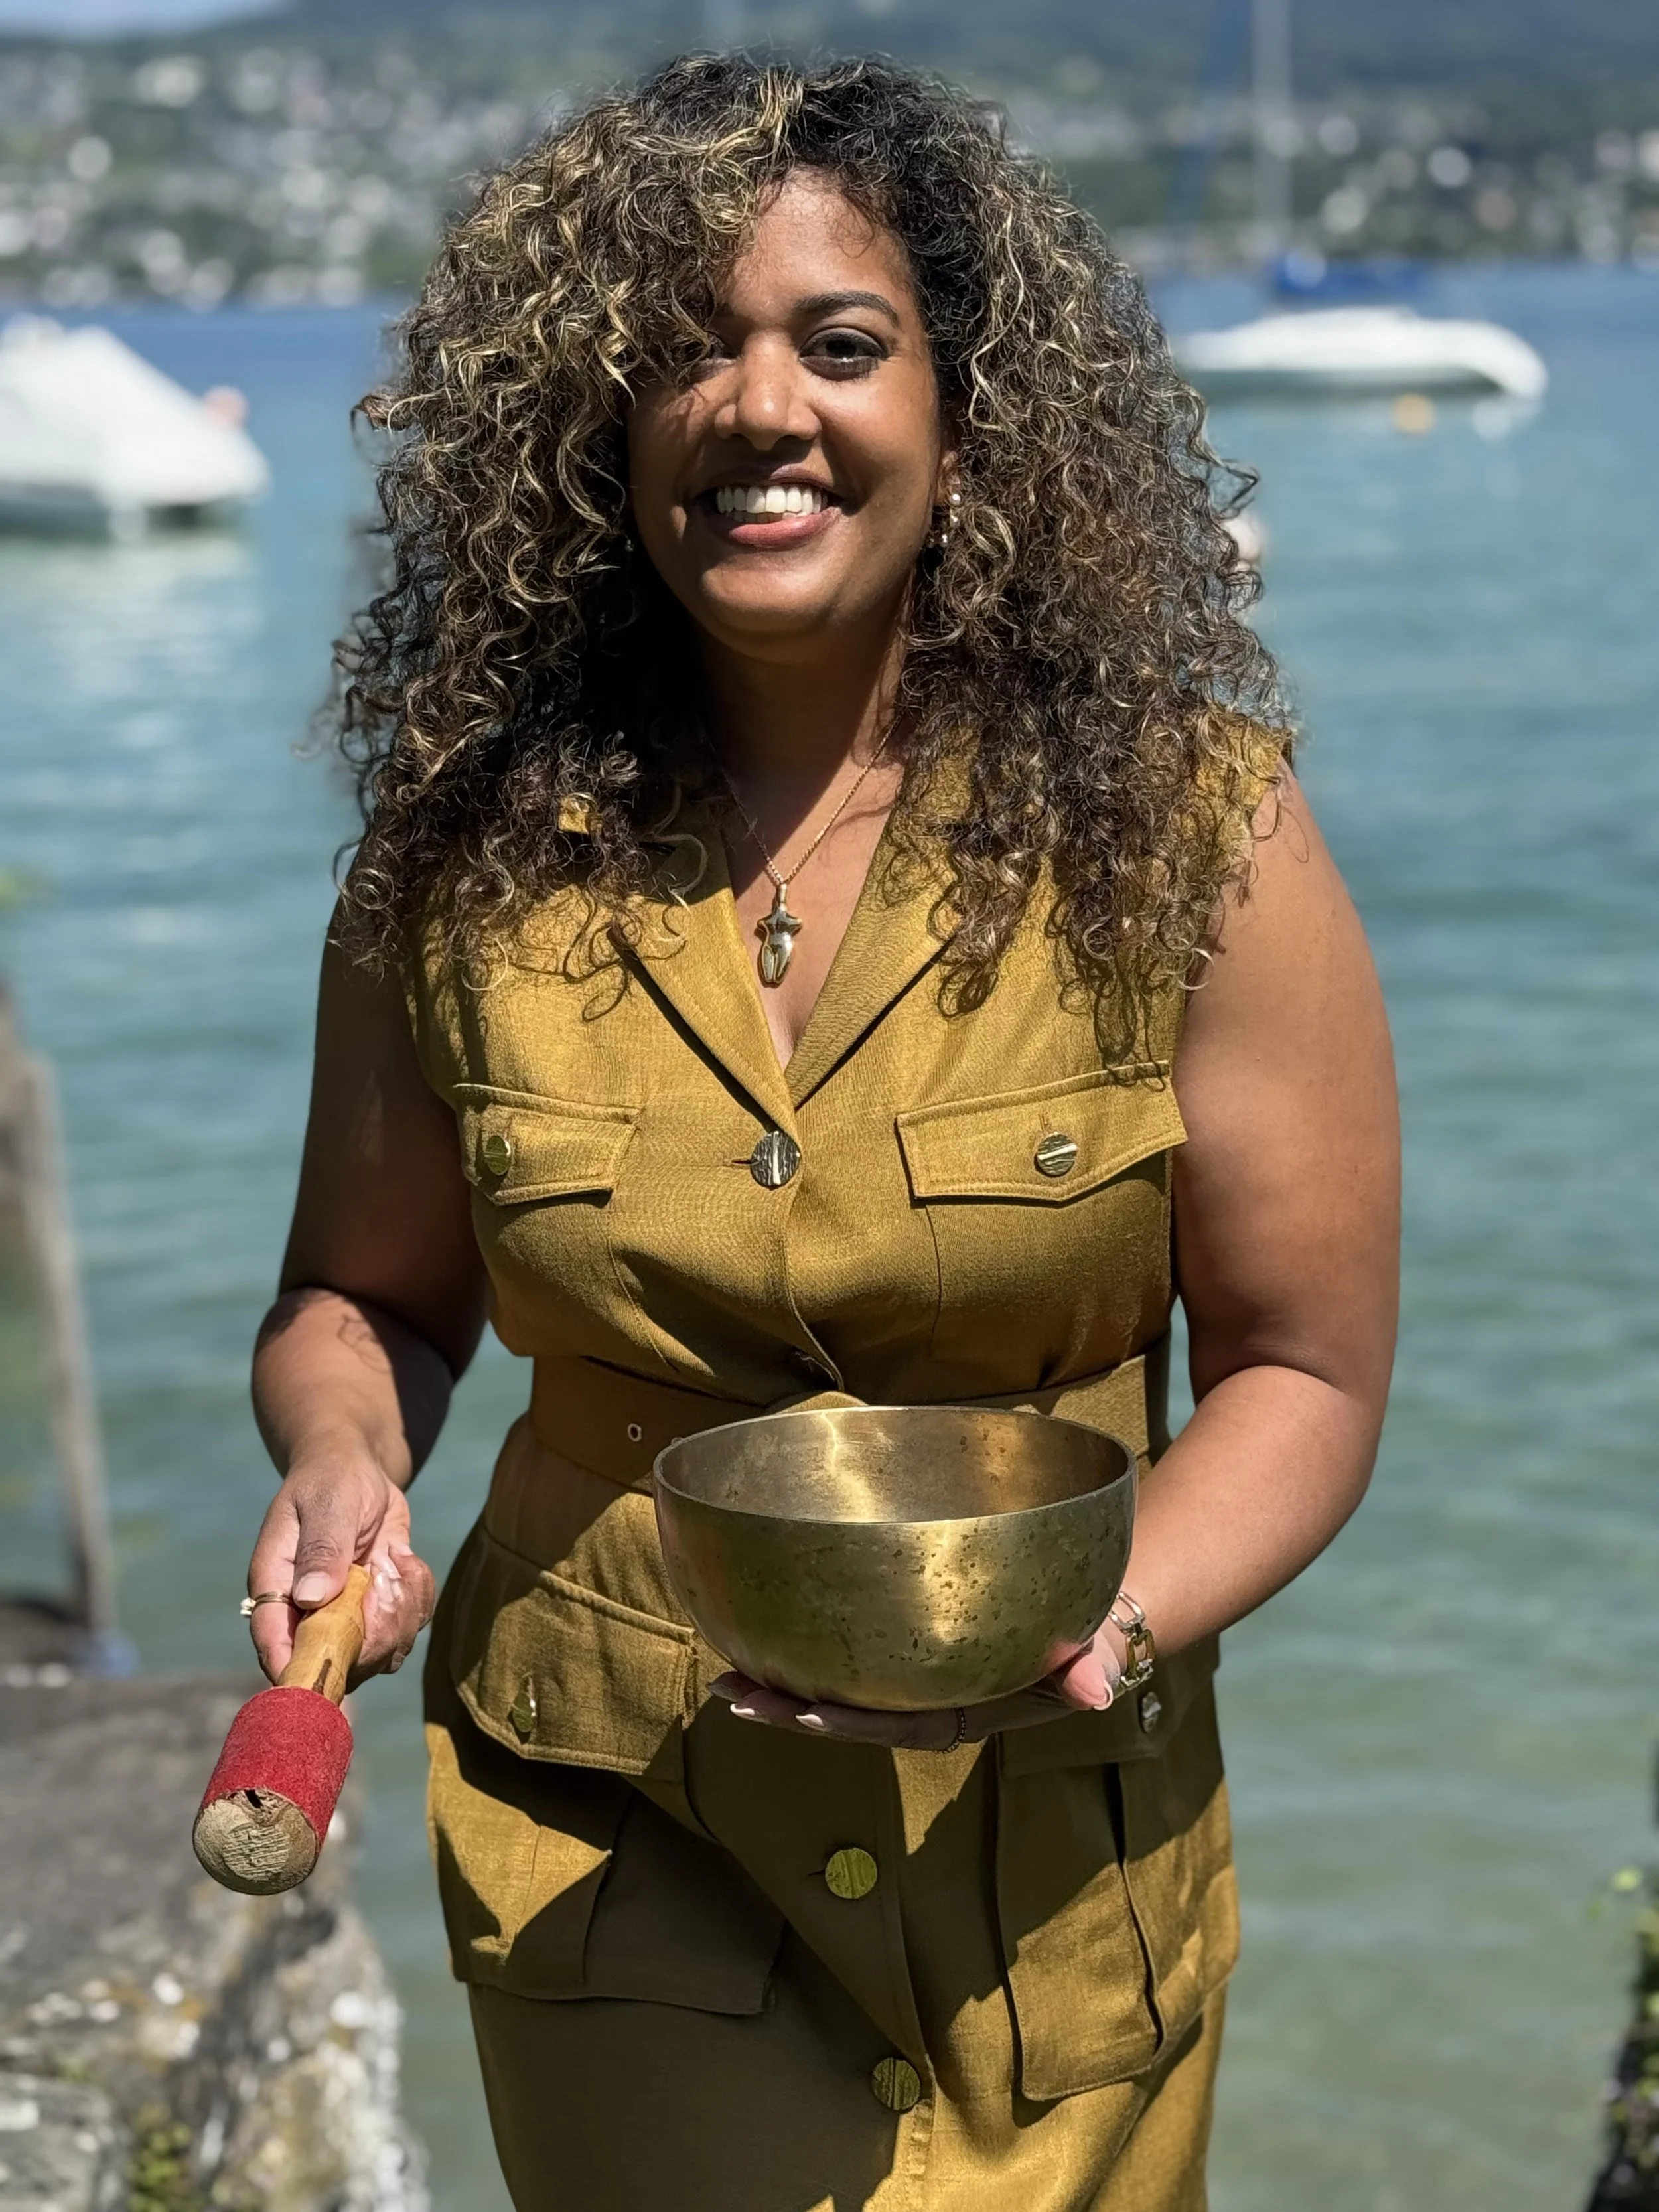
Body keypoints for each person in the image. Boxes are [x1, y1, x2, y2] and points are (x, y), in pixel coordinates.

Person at [244, 52, 1398, 2212]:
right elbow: (362, 1297)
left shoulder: (1191, 829)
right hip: (620, 1865)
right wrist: (338, 1456)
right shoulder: (458, 859)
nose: (758, 406)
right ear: (591, 431)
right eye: (681, 351)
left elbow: (1305, 1372)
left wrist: (1098, 1622)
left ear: (969, 416)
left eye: (838, 344)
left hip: (1059, 1885)